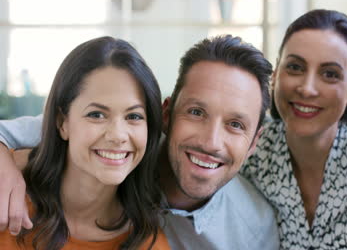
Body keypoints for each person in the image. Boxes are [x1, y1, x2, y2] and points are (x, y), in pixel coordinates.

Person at [0, 35, 280, 249]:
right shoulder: (123, 141)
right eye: (196, 112)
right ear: (166, 114)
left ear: (255, 141)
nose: (211, 141)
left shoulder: (252, 229)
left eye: (235, 125)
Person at [240, 9, 347, 249]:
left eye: (330, 74)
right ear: (276, 75)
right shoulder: (249, 149)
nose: (307, 88)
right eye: (295, 67)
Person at [0, 36, 170, 249]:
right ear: (62, 122)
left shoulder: (149, 242)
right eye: (97, 114)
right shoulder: (7, 199)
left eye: (134, 116)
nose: (118, 135)